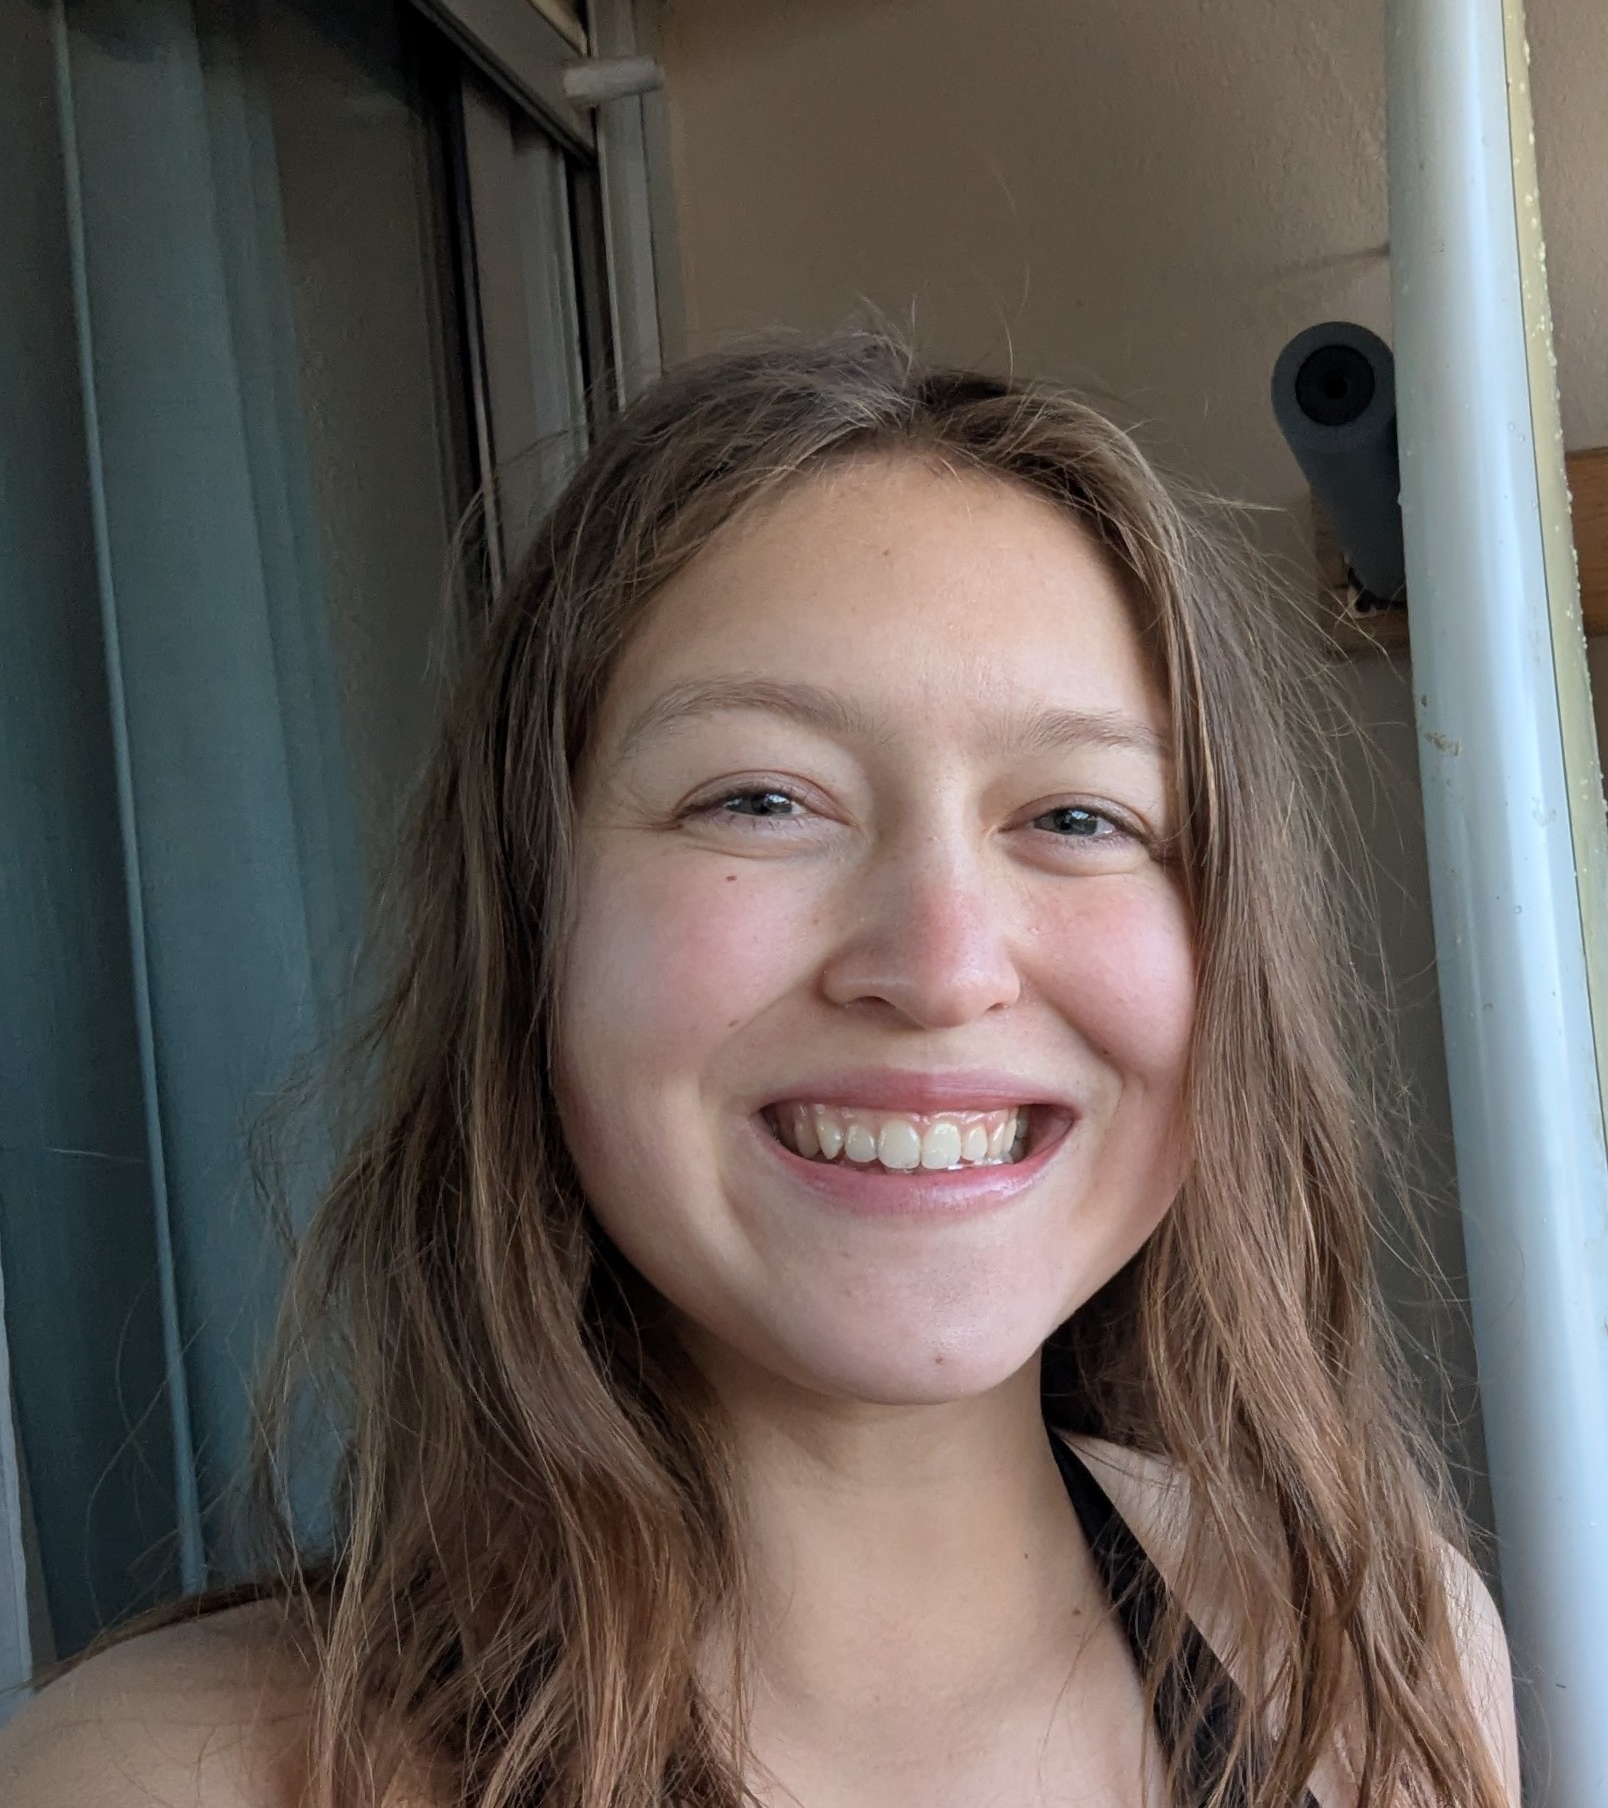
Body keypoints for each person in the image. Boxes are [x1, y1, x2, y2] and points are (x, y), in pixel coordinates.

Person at [0, 334, 1520, 1808]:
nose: (941, 966)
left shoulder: (1376, 1646)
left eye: (1076, 818)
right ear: (533, 930)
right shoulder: (160, 1780)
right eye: (762, 799)